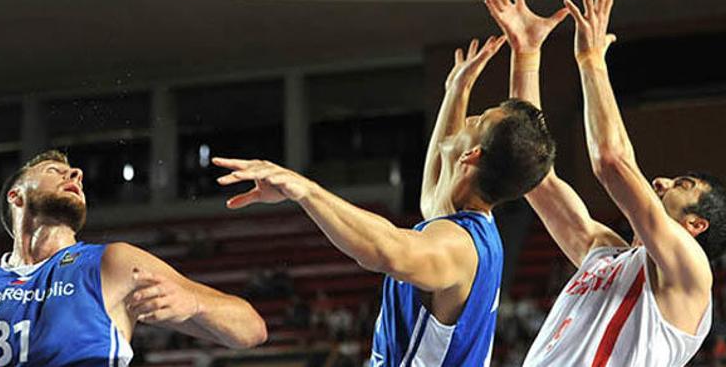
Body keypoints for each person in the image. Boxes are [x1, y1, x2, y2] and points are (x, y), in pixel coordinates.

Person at [214, 35, 557, 366]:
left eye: (478, 120)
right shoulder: (467, 232)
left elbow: (386, 250)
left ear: (472, 154)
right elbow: (434, 196)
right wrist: (457, 91)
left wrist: (303, 189)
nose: (469, 118)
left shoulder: (459, 246)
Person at [482, 0, 726, 366]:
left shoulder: (690, 275)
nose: (661, 180)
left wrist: (591, 61)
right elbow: (533, 176)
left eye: (681, 185)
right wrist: (527, 54)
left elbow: (612, 162)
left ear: (695, 225)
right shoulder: (603, 254)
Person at [0, 150, 266, 366]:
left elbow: (251, 329)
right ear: (17, 195)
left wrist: (196, 304)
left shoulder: (112, 263)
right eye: (55, 171)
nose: (75, 175)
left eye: (75, 174)